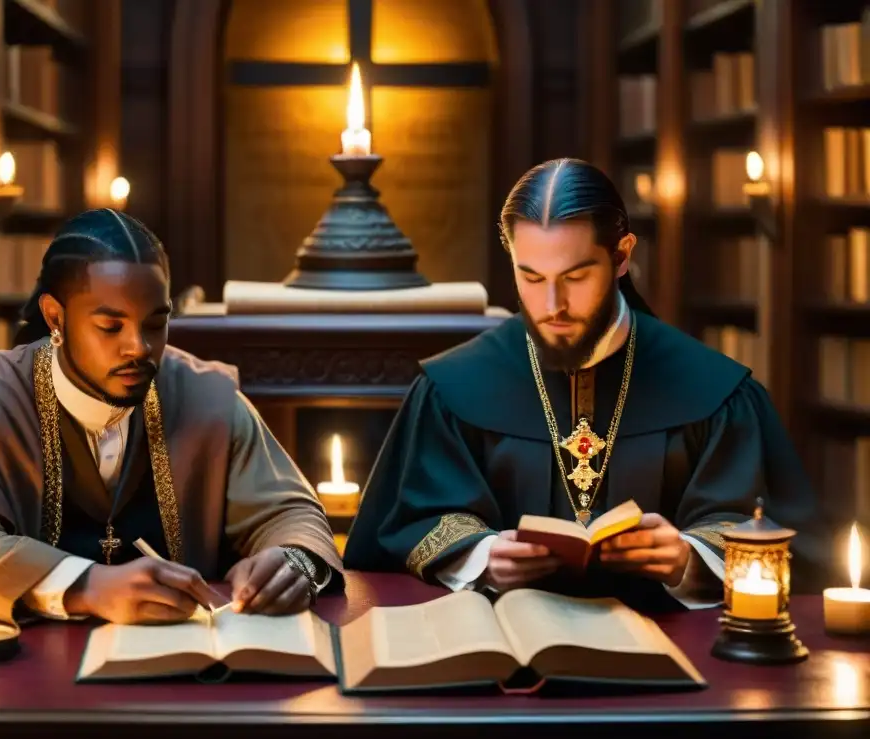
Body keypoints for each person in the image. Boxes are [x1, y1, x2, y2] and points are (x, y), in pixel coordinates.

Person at [344, 158, 831, 611]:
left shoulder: (718, 392)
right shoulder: (452, 388)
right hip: (501, 661)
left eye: (575, 276)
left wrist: (689, 555)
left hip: (672, 660)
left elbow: (774, 533)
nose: (552, 304)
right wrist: (482, 554)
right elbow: (402, 523)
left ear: (621, 257)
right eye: (530, 276)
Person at [0, 209, 342, 625]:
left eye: (156, 323)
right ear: (55, 317)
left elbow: (292, 512)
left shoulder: (208, 398)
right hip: (23, 693)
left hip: (182, 684)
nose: (139, 347)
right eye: (110, 326)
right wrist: (88, 586)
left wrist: (292, 563)